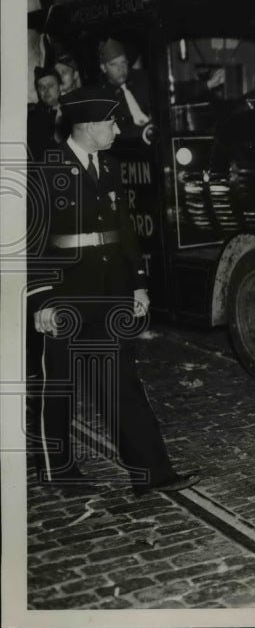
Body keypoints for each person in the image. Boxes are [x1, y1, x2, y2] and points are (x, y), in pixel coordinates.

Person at [27, 87, 198, 493]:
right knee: (58, 384)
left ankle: (153, 471)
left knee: (121, 381)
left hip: (109, 294)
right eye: (111, 122)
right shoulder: (46, 169)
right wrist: (41, 301)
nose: (117, 129)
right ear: (87, 126)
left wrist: (138, 285)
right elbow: (31, 240)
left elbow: (124, 231)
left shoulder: (111, 168)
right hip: (64, 294)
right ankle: (56, 469)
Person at [97, 38, 153, 141]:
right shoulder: (101, 97)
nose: (120, 68)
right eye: (114, 64)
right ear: (103, 68)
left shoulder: (143, 79)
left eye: (123, 63)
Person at [27, 65, 64, 160]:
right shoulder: (32, 117)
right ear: (38, 91)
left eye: (50, 85)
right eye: (41, 87)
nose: (46, 91)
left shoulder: (72, 108)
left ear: (60, 87)